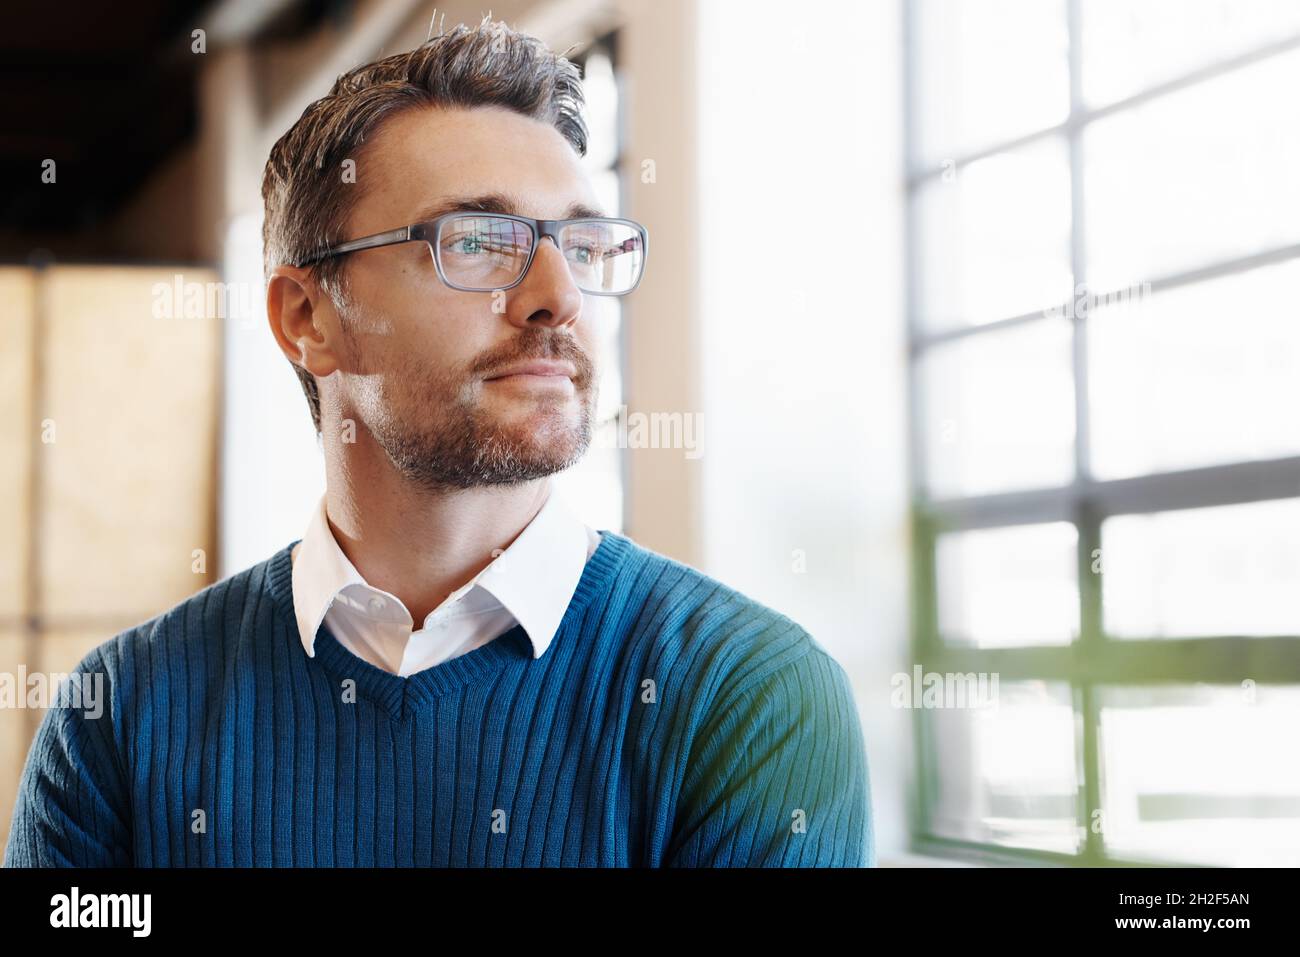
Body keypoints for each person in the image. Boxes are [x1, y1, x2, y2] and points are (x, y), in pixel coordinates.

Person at [4, 15, 872, 868]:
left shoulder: (753, 698)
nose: (557, 297)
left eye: (579, 243)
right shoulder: (115, 717)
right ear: (307, 317)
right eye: (480, 241)